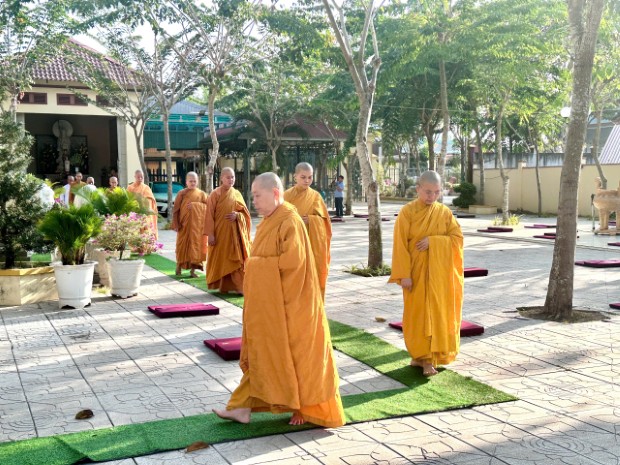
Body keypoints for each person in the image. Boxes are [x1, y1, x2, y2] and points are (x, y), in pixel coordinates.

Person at [213, 172, 345, 428]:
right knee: (264, 353)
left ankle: (302, 406)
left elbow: (293, 264)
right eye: (253, 196)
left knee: (296, 357)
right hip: (271, 303)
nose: (254, 202)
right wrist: (256, 267)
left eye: (257, 196)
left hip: (293, 304)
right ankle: (241, 408)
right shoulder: (270, 220)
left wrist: (256, 266)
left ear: (275, 193)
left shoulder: (289, 221)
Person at [388, 170, 464, 377]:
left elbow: (457, 239)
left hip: (439, 277)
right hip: (416, 274)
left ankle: (429, 360)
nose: (432, 196)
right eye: (428, 192)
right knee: (418, 316)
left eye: (437, 192)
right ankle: (419, 355)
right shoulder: (408, 212)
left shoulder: (444, 213)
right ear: (418, 189)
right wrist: (404, 274)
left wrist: (434, 241)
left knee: (436, 314)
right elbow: (400, 245)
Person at [283, 162, 332, 296]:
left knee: (311, 275)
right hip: (292, 241)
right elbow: (278, 217)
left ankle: (312, 302)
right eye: (303, 177)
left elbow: (325, 222)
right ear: (295, 177)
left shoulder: (315, 196)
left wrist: (312, 220)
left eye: (310, 177)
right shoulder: (286, 196)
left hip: (310, 243)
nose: (307, 180)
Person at [203, 167, 251, 294]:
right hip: (220, 234)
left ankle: (240, 288)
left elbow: (245, 214)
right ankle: (224, 286)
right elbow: (209, 215)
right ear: (221, 179)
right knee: (222, 260)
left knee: (237, 260)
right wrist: (210, 234)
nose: (231, 180)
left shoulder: (237, 194)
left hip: (234, 235)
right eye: (228, 177)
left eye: (233, 177)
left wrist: (238, 215)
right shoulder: (215, 194)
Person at [171, 172, 209, 278]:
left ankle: (193, 271)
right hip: (184, 226)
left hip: (197, 228)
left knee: (196, 248)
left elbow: (208, 207)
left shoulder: (202, 194)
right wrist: (176, 224)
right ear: (186, 182)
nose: (192, 183)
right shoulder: (181, 193)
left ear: (197, 182)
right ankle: (178, 266)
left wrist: (196, 206)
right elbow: (176, 210)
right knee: (181, 247)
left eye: (194, 181)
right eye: (190, 181)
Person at [127, 169, 158, 240]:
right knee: (134, 232)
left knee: (146, 231)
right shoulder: (130, 187)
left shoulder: (146, 188)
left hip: (144, 213)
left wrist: (143, 203)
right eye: (138, 177)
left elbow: (151, 200)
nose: (140, 178)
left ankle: (146, 243)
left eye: (142, 177)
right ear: (135, 177)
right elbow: (128, 199)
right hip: (134, 213)